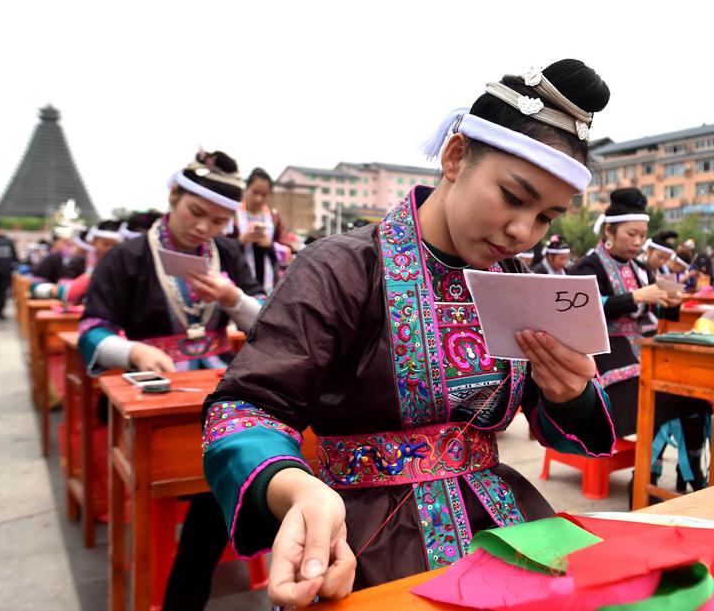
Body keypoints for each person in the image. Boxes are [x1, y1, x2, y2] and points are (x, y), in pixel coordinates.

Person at [203, 59, 617, 607]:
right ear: (455, 157)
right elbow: (244, 410)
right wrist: (297, 489)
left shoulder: (519, 284)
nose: (523, 232)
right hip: (361, 534)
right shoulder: (342, 268)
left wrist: (574, 394)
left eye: (546, 217)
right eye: (514, 198)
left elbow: (554, 416)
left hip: (501, 524)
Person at [78, 150, 264, 610]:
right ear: (173, 196)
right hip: (149, 394)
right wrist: (135, 350)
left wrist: (233, 297)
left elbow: (267, 323)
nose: (204, 228)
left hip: (215, 392)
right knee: (215, 475)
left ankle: (188, 585)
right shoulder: (127, 258)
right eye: (195, 213)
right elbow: (90, 332)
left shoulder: (230, 255)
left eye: (218, 221)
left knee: (228, 467)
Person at [570, 188, 712, 497]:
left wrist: (672, 300)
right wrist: (634, 296)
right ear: (609, 230)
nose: (637, 242)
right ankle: (647, 477)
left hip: (646, 351)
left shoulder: (642, 269)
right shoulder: (588, 267)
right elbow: (580, 309)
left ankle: (689, 471)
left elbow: (658, 311)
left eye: (642, 236)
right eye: (631, 234)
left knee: (698, 395)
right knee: (664, 399)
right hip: (608, 360)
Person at [236, 167, 296, 293]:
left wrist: (269, 245)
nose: (259, 198)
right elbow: (219, 245)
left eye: (264, 194)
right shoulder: (233, 215)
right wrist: (241, 240)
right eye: (255, 192)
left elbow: (287, 249)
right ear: (246, 188)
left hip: (268, 283)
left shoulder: (273, 217)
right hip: (237, 281)